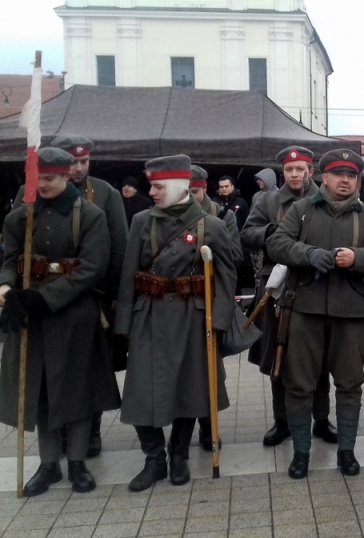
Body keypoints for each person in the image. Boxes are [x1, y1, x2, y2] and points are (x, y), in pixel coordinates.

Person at [0, 147, 120, 496]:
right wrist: (7, 289)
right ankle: (49, 463)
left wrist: (46, 297)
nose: (42, 185)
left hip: (74, 315)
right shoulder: (20, 215)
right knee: (39, 390)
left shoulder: (91, 215)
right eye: (37, 179)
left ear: (67, 176)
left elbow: (91, 268)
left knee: (77, 392)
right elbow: (9, 258)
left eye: (49, 179)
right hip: (29, 317)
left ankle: (78, 463)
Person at [115, 154, 236, 491]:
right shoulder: (141, 220)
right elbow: (128, 274)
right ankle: (154, 458)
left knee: (188, 390)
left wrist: (220, 323)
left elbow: (226, 279)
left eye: (157, 186)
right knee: (140, 392)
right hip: (149, 314)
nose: (150, 192)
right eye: (151, 186)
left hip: (191, 317)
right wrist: (123, 324)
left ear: (177, 186)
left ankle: (178, 453)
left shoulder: (211, 226)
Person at [266, 149, 364, 478]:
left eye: (352, 176)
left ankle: (346, 451)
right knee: (299, 384)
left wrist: (356, 258)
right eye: (338, 174)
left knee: (350, 384)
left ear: (358, 180)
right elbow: (276, 243)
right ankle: (301, 453)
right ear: (323, 177)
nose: (345, 180)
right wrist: (308, 254)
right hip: (304, 309)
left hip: (350, 312)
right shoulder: (302, 209)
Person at [22, 135, 128, 459]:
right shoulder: (31, 192)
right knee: (47, 375)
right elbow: (19, 241)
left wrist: (114, 300)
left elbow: (118, 250)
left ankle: (90, 434)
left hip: (90, 297)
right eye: (74, 161)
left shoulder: (105, 194)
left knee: (88, 372)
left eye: (84, 161)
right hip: (41, 299)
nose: (79, 167)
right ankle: (57, 444)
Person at [240, 147, 337, 447]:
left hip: (315, 285)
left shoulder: (327, 198)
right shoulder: (266, 200)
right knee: (277, 356)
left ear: (310, 170)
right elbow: (247, 234)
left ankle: (321, 419)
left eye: (300, 168)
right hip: (277, 286)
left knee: (317, 359)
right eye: (289, 169)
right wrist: (272, 232)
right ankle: (281, 421)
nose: (294, 174)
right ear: (282, 172)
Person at [189, 165, 243, 452]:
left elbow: (235, 256)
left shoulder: (223, 215)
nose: (189, 197)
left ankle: (209, 425)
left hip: (207, 300)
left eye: (195, 192)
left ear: (204, 189)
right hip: (178, 304)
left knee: (209, 369)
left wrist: (208, 249)